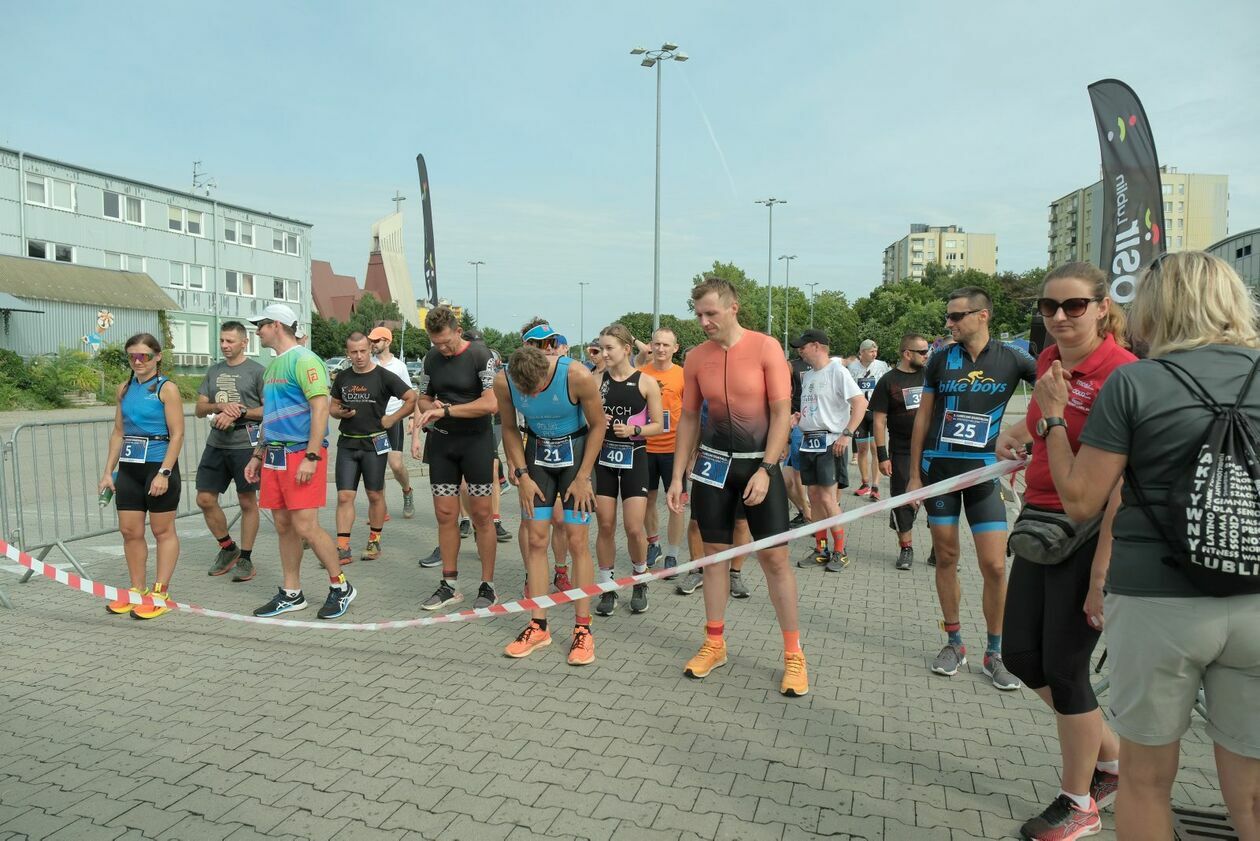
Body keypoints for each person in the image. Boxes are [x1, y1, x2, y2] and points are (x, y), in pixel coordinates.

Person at [1035, 252, 1260, 841]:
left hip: (1157, 600)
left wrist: (1054, 418)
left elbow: (1082, 499)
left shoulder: (1137, 380)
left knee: (1145, 778)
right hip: (1255, 595)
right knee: (1252, 777)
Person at [986, 263, 1135, 839]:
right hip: (1041, 522)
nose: (1060, 318)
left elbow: (1121, 485)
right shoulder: (1049, 363)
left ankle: (1079, 802)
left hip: (1092, 530)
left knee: (1067, 670)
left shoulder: (1124, 375)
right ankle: (1114, 760)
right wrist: (1017, 436)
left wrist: (1102, 573)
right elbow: (1038, 427)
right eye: (1049, 307)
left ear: (1101, 307)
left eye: (1074, 306)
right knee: (1022, 656)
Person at [667, 276, 806, 696]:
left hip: (757, 466)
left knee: (775, 560)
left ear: (733, 307)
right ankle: (714, 642)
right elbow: (690, 418)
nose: (704, 321)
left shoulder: (766, 348)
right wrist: (677, 475)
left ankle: (793, 654)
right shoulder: (695, 357)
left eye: (711, 313)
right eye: (698, 314)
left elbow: (782, 414)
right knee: (713, 557)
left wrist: (768, 467)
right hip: (712, 468)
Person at [907, 287, 1034, 690]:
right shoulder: (941, 359)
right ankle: (954, 642)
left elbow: (1055, 395)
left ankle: (995, 652)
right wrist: (914, 476)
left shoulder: (1013, 358)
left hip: (984, 473)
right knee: (946, 557)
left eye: (956, 316)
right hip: (941, 470)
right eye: (948, 315)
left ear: (982, 316)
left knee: (995, 565)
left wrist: (1025, 433)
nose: (949, 323)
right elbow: (923, 420)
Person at [496, 343, 606, 664]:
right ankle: (538, 625)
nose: (530, 395)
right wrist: (521, 474)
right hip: (538, 459)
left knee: (576, 540)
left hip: (576, 457)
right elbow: (508, 427)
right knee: (536, 539)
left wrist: (584, 477)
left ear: (546, 369)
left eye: (537, 389)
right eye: (525, 391)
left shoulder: (576, 374)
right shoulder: (504, 381)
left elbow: (598, 425)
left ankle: (582, 630)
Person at [244, 304, 356, 620]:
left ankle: (341, 586)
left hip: (301, 454)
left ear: (277, 325)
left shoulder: (306, 360)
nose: (257, 331)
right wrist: (257, 453)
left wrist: (311, 455)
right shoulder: (271, 367)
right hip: (275, 456)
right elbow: (270, 415)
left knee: (306, 526)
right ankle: (292, 593)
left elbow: (320, 409)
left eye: (261, 325)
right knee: (283, 525)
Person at [412, 307, 501, 611]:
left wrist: (446, 410)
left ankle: (487, 584)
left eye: (447, 343)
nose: (442, 349)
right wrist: (430, 404)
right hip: (443, 445)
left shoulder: (480, 355)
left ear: (458, 331)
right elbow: (422, 397)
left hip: (475, 442)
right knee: (446, 515)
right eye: (436, 343)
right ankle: (449, 584)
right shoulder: (431, 358)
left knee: (481, 516)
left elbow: (491, 404)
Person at [99, 333, 185, 620]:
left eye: (144, 356)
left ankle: (160, 591)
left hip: (158, 466)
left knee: (162, 531)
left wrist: (164, 472)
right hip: (130, 467)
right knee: (130, 531)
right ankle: (137, 589)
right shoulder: (124, 388)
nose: (138, 362)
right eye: (132, 356)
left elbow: (178, 435)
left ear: (157, 357)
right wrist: (107, 472)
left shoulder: (166, 388)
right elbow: (118, 432)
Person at [592, 323, 664, 616]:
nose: (604, 353)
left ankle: (639, 579)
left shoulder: (645, 382)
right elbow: (585, 422)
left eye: (610, 348)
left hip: (635, 457)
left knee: (634, 528)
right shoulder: (595, 382)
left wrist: (634, 428)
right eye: (601, 348)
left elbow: (659, 425)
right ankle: (606, 586)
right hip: (604, 460)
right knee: (605, 525)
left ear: (626, 349)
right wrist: (598, 420)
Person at [330, 332, 416, 564]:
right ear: (347, 353)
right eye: (353, 352)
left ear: (369, 350)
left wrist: (392, 418)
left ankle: (374, 541)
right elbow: (333, 407)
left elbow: (411, 398)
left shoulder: (384, 376)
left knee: (374, 494)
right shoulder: (342, 377)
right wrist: (340, 412)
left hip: (374, 443)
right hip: (348, 443)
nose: (359, 356)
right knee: (344, 496)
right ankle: (342, 547)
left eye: (363, 351)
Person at [790, 329, 866, 572]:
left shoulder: (837, 371)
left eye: (803, 346)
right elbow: (816, 408)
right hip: (808, 440)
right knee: (813, 498)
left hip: (830, 442)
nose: (799, 350)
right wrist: (799, 418)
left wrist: (847, 434)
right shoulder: (809, 376)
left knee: (827, 498)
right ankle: (821, 549)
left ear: (817, 346)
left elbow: (860, 403)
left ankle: (840, 551)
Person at [194, 321, 264, 583]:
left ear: (244, 343)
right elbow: (199, 409)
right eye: (222, 340)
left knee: (247, 502)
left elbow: (269, 410)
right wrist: (221, 408)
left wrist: (241, 410)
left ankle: (245, 558)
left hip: (245, 445)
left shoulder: (257, 372)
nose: (224, 345)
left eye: (230, 341)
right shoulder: (213, 371)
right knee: (204, 499)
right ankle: (228, 548)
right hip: (217, 443)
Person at [870, 333, 930, 571]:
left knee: (939, 499)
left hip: (932, 450)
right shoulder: (888, 381)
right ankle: (906, 548)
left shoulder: (931, 377)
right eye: (922, 352)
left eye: (928, 351)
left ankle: (939, 550)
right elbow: (878, 421)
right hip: (902, 451)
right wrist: (883, 455)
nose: (927, 356)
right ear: (907, 354)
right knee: (902, 500)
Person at [635, 328, 687, 576]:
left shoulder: (683, 375)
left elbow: (692, 415)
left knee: (676, 503)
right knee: (647, 501)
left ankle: (673, 554)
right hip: (646, 447)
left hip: (674, 449)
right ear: (651, 346)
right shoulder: (641, 374)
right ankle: (653, 542)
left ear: (675, 348)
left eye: (666, 345)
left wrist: (691, 451)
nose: (661, 349)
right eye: (656, 344)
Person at [367, 327, 417, 519]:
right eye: (371, 340)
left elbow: (410, 395)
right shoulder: (369, 364)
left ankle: (407, 490)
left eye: (376, 341)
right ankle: (381, 508)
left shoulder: (399, 366)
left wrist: (412, 418)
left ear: (387, 342)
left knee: (396, 465)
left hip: (393, 420)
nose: (373, 344)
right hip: (374, 423)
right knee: (376, 466)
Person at [847, 339, 891, 500]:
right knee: (862, 449)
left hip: (876, 411)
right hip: (860, 413)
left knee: (875, 448)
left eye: (876, 351)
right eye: (871, 351)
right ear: (862, 352)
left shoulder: (881, 366)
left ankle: (876, 486)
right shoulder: (852, 368)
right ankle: (865, 483)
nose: (874, 354)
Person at [783, 352, 814, 525]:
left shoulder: (829, 368)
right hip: (794, 423)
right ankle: (805, 511)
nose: (803, 350)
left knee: (810, 480)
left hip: (814, 428)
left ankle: (815, 515)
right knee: (784, 481)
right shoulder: (791, 365)